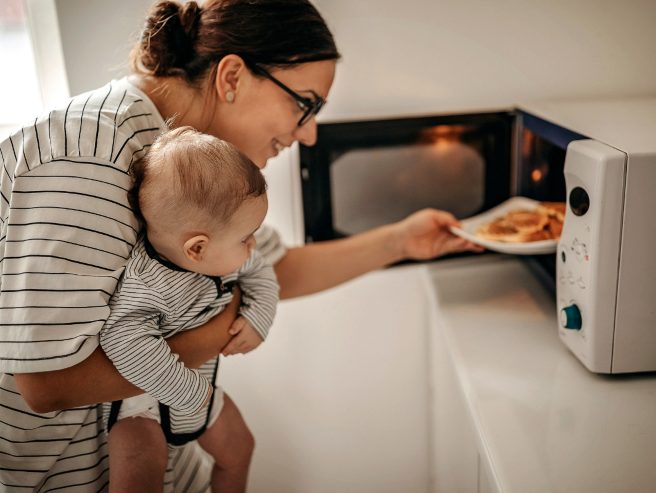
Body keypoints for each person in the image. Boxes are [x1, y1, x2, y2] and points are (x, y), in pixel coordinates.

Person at [0, 0, 479, 491]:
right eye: (305, 103)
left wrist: (401, 240)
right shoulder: (89, 155)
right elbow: (48, 383)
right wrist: (219, 327)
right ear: (231, 76)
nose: (309, 133)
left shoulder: (186, 151)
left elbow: (273, 265)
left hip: (170, 463)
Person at [100, 126, 277, 492]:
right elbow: (123, 340)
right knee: (141, 473)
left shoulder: (225, 258)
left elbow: (261, 271)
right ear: (196, 248)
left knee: (240, 449)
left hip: (201, 392)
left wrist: (259, 318)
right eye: (245, 237)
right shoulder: (147, 283)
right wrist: (190, 394)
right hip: (141, 407)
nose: (253, 245)